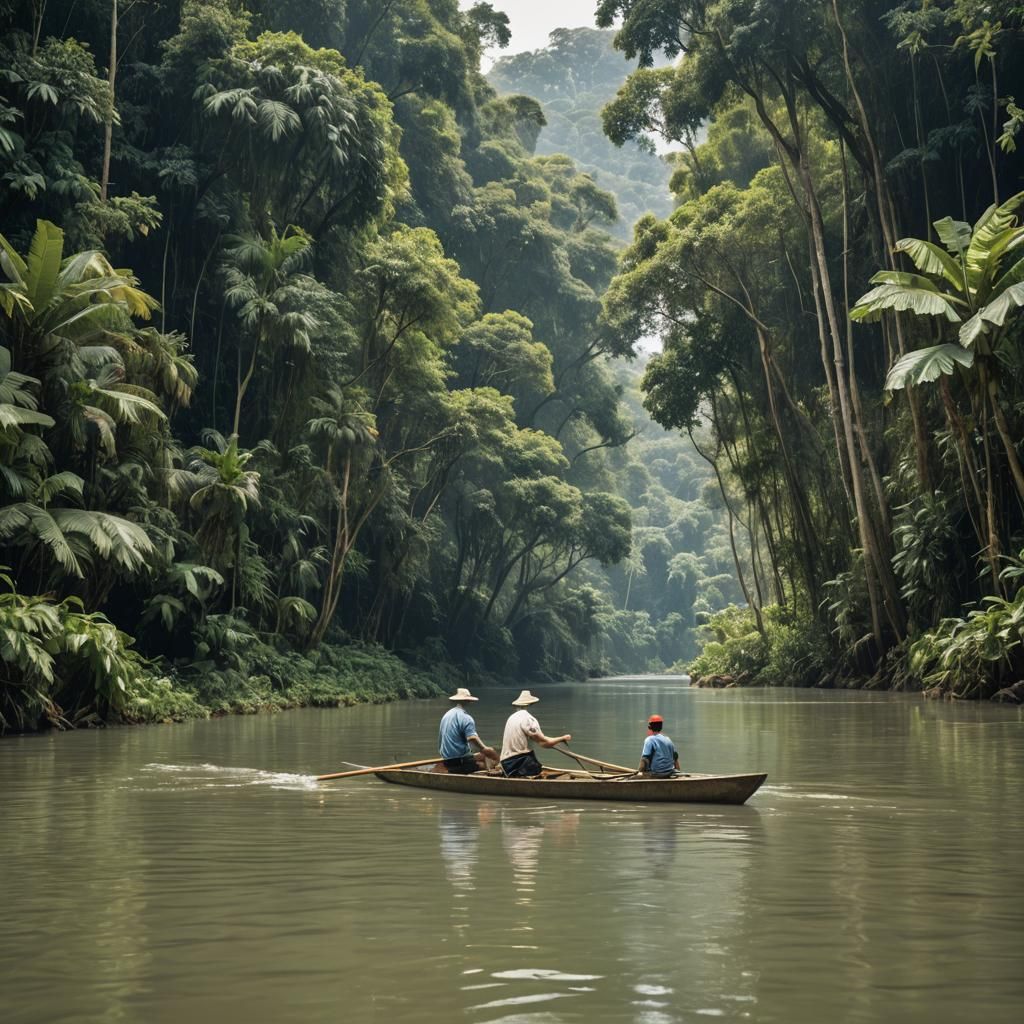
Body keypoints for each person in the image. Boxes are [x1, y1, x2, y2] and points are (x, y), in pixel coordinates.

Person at [499, 690, 571, 778]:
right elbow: (544, 743)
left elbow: (542, 739)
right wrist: (563, 738)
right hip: (517, 763)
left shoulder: (512, 717)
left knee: (536, 764)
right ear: (531, 704)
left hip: (505, 763)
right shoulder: (529, 719)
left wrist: (557, 739)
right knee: (543, 773)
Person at [438, 687, 498, 774]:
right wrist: (484, 748)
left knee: (482, 756)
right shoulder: (466, 718)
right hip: (459, 760)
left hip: (446, 759)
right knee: (491, 759)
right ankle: (486, 770)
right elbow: (472, 738)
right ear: (468, 701)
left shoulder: (446, 715)